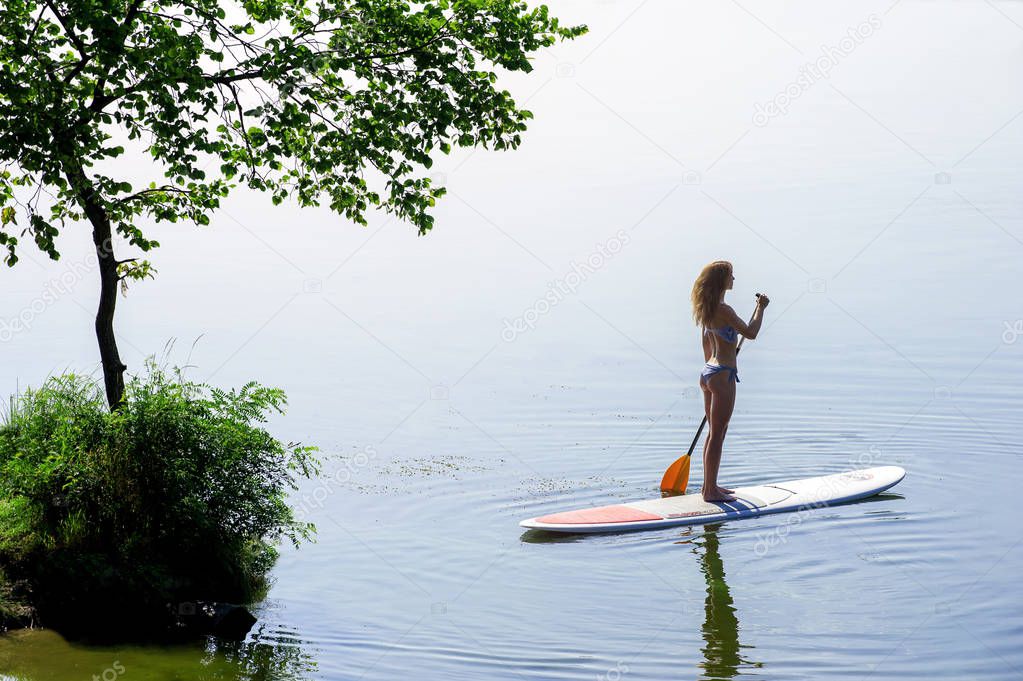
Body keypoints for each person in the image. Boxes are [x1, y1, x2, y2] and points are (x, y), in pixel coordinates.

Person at [690, 261, 769, 502]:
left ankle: (709, 486)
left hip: (708, 373)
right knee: (718, 433)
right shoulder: (724, 310)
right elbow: (751, 332)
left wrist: (711, 371)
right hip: (723, 375)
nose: (734, 278)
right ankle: (711, 492)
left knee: (714, 432)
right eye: (731, 275)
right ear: (722, 281)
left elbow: (706, 342)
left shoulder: (706, 309)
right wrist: (761, 307)